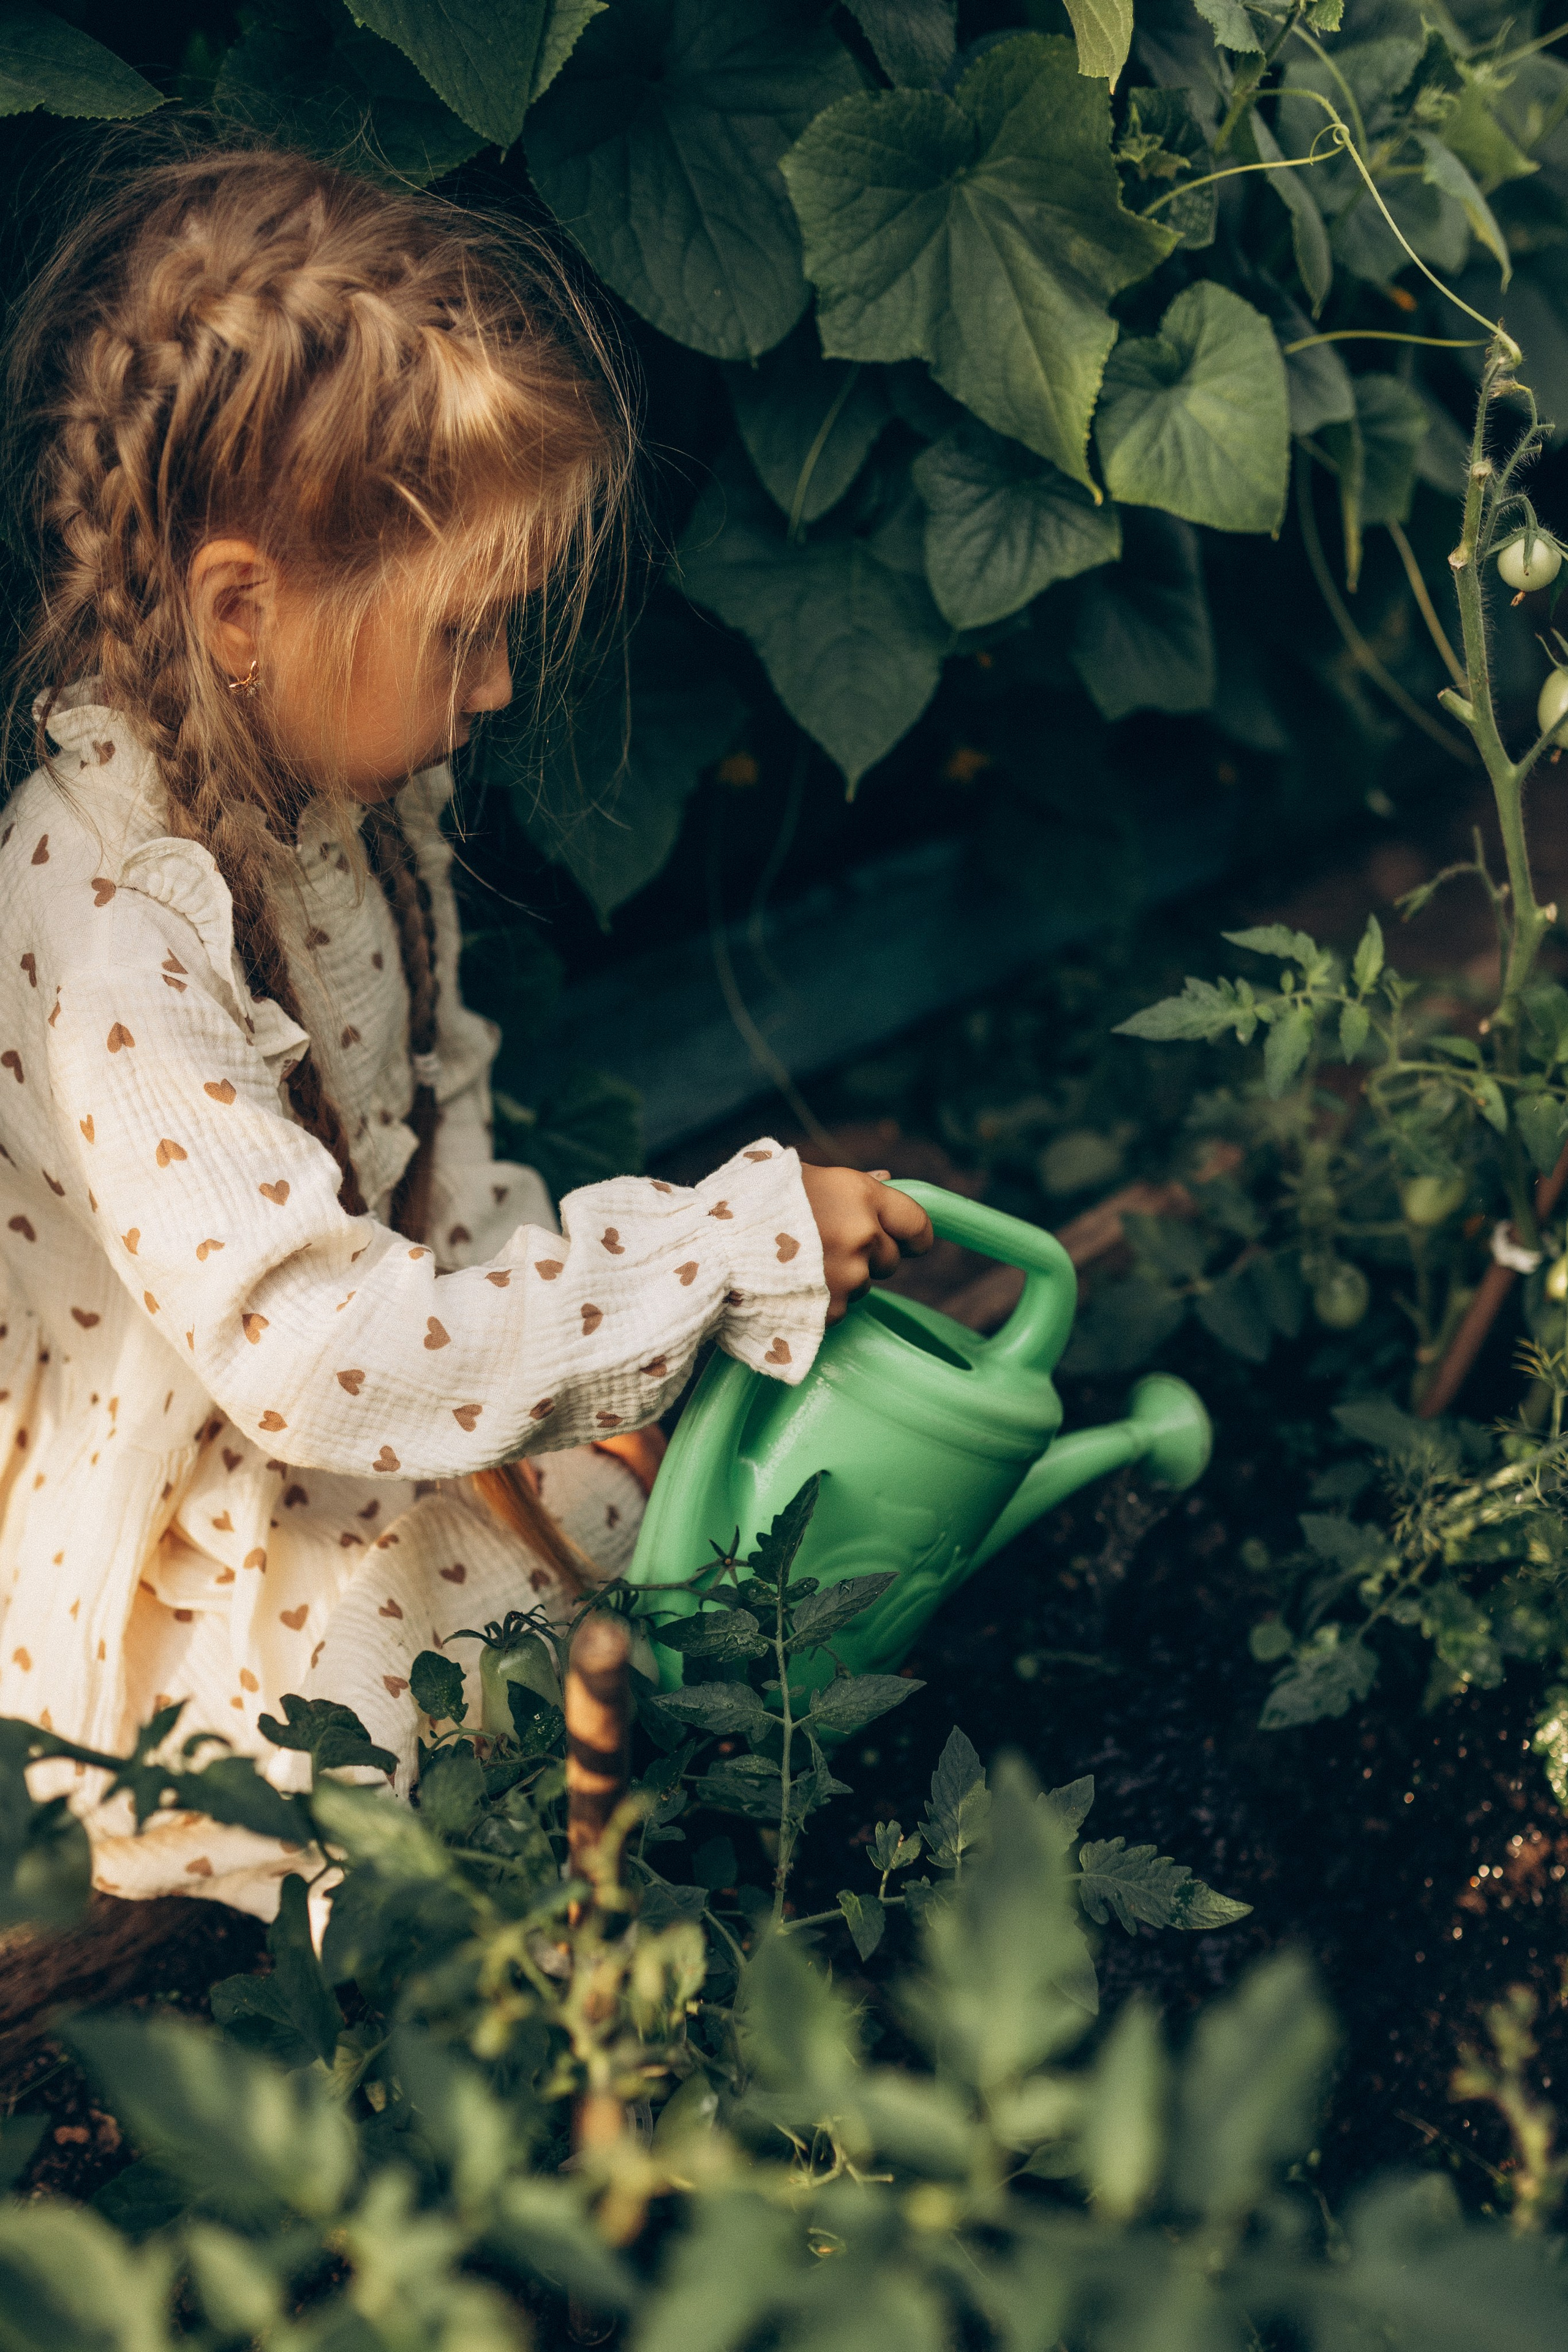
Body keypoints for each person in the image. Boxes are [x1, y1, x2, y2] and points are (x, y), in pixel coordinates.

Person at [0, 146, 932, 1918]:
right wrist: (698, 1261)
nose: (499, 688)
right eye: (464, 633)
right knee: (435, 1760)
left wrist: (599, 1378)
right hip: (200, 1544)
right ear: (243, 612)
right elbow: (301, 1353)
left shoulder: (327, 805)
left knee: (700, 1545)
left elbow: (442, 1164)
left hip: (354, 1428)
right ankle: (472, 2037)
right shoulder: (114, 923)